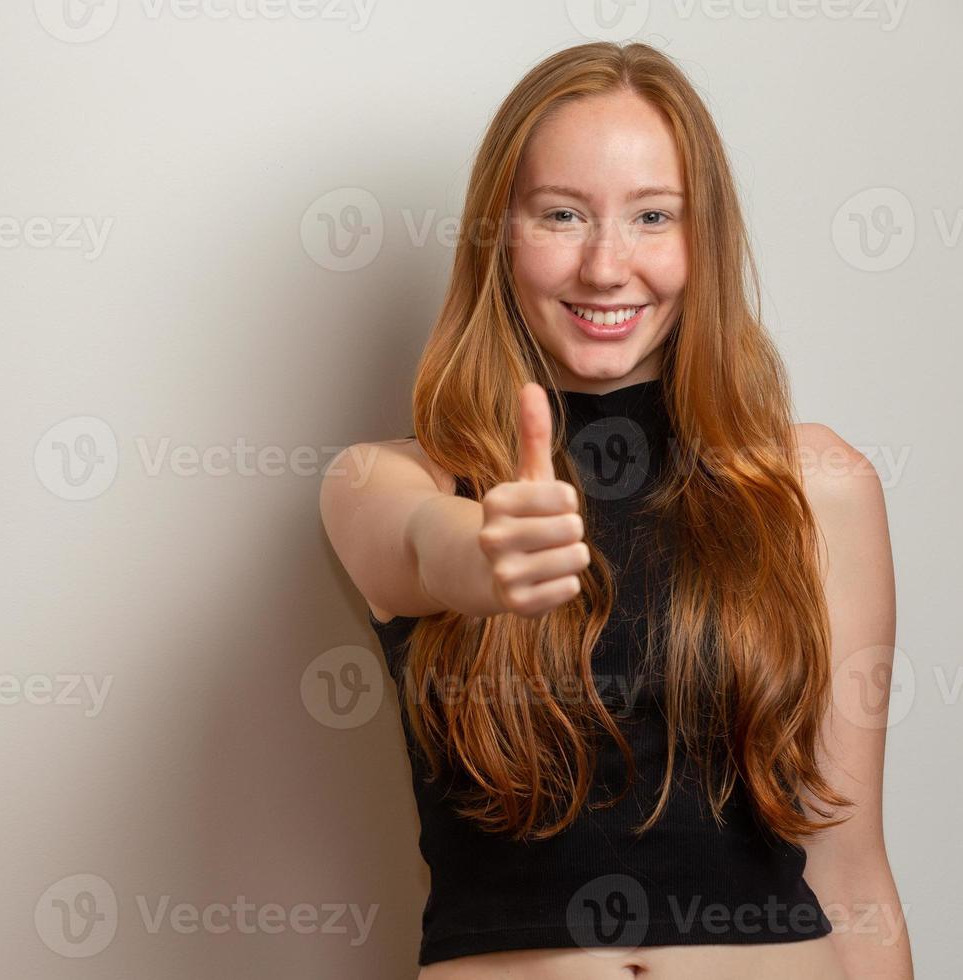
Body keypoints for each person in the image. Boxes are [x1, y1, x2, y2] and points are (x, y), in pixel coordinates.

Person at [319, 40, 912, 980]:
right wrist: (482, 556)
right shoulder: (389, 481)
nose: (606, 265)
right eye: (561, 215)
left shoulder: (820, 483)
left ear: (703, 239)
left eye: (651, 217)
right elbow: (421, 551)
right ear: (498, 233)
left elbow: (851, 871)